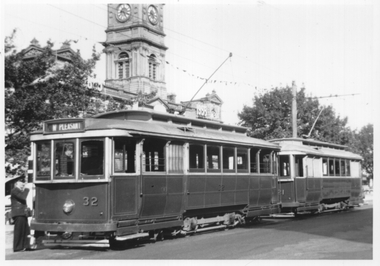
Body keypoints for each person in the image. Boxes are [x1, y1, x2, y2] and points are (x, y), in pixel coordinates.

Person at [11, 176, 31, 252]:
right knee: (19, 230)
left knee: (25, 230)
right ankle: (17, 247)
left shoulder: (18, 191)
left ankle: (25, 246)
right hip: (18, 213)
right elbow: (23, 197)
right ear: (17, 184)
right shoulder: (15, 190)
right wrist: (26, 189)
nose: (23, 184)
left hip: (22, 213)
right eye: (21, 183)